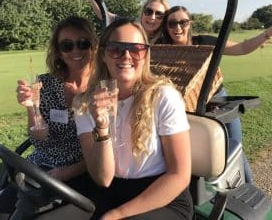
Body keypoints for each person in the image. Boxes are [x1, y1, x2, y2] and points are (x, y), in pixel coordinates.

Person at [157, 5, 272, 183]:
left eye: (183, 22)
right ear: (166, 27)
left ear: (190, 23)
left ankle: (248, 188)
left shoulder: (204, 41)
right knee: (201, 155)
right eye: (172, 23)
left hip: (217, 100)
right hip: (187, 108)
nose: (178, 28)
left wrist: (267, 33)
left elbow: (241, 48)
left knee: (234, 148)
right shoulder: (162, 49)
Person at [73, 18, 193, 220]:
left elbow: (179, 176)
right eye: (116, 49)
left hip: (162, 195)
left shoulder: (163, 96)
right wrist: (102, 129)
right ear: (103, 54)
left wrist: (118, 214)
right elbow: (102, 178)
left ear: (145, 55)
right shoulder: (85, 104)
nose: (126, 56)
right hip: (110, 191)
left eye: (136, 49)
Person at [0, 16, 99, 219]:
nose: (75, 51)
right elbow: (40, 138)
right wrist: (32, 108)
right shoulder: (46, 84)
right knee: (0, 215)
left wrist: (64, 173)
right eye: (67, 45)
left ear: (93, 45)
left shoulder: (103, 88)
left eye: (82, 43)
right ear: (58, 51)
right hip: (41, 168)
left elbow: (106, 151)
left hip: (82, 174)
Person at [90, 0, 170, 43]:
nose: (152, 17)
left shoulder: (165, 40)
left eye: (159, 14)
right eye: (149, 11)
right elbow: (103, 14)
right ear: (143, 12)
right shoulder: (130, 26)